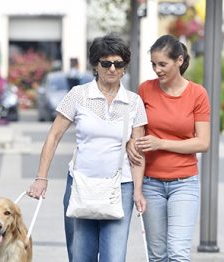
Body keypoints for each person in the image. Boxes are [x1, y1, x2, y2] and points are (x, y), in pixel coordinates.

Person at [27, 32, 147, 262]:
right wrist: (41, 178)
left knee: (114, 258)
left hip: (120, 188)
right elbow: (53, 136)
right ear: (95, 64)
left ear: (124, 67)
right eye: (106, 63)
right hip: (80, 186)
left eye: (118, 64)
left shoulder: (134, 102)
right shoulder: (78, 95)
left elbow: (137, 153)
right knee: (81, 257)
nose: (112, 69)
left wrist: (138, 190)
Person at [127, 34, 211, 261]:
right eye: (153, 64)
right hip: (151, 184)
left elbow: (203, 143)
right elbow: (136, 135)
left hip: (184, 184)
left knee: (178, 253)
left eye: (162, 64)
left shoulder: (197, 94)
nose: (157, 69)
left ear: (180, 61)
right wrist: (130, 143)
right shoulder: (145, 90)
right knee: (157, 255)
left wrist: (161, 143)